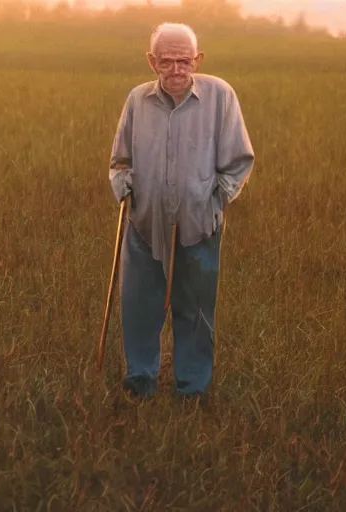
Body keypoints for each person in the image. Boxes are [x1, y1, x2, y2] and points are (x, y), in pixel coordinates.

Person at [107, 22, 255, 401]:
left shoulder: (220, 96)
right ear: (151, 61)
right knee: (140, 307)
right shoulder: (137, 100)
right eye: (167, 61)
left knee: (196, 309)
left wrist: (215, 201)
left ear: (198, 59)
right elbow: (120, 160)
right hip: (144, 221)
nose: (176, 70)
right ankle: (140, 381)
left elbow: (239, 161)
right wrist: (122, 183)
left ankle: (193, 389)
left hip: (200, 225)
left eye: (184, 61)